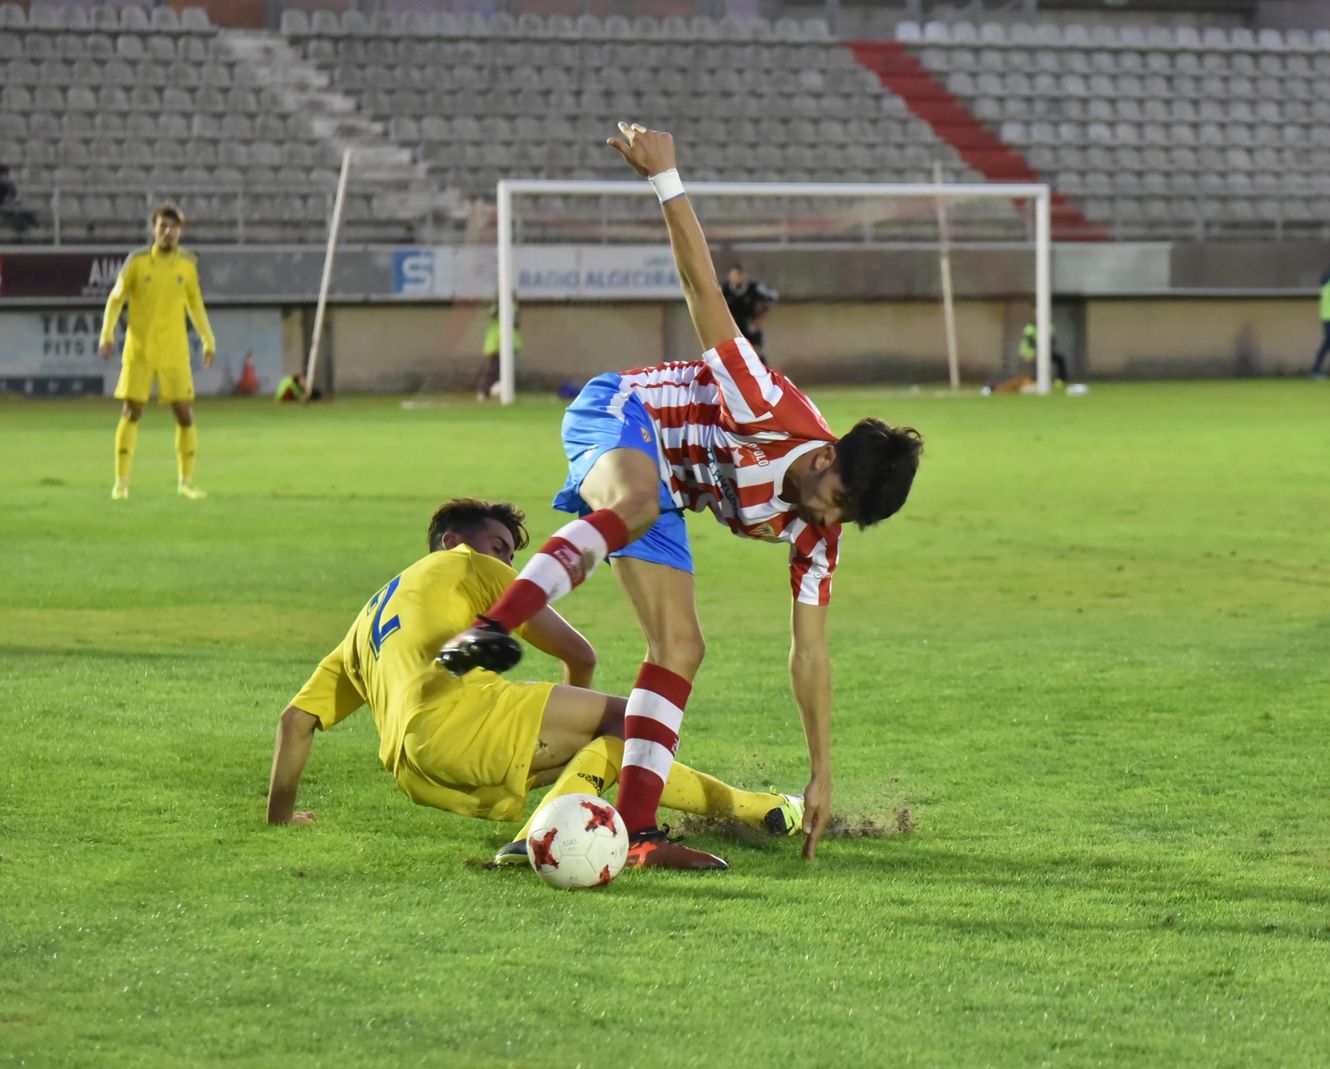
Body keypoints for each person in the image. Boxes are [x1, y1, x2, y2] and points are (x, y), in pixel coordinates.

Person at [437, 122, 923, 868]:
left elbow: (810, 652)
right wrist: (667, 178)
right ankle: (492, 627)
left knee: (682, 647)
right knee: (633, 502)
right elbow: (702, 287)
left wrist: (822, 768)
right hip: (621, 414)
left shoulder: (818, 532)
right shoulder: (766, 404)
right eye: (835, 498)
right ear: (825, 455)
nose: (828, 518)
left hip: (667, 492)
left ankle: (635, 834)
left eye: (845, 518)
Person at [267, 498, 803, 860]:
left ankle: (760, 811)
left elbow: (296, 722)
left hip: (417, 770)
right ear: (454, 540)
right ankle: (539, 839)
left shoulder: (366, 624)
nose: (506, 560)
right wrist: (570, 709)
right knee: (632, 721)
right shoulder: (465, 564)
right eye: (500, 546)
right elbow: (580, 652)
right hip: (466, 722)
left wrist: (282, 820)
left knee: (599, 751)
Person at [98, 204, 215, 500]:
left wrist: (208, 339)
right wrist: (107, 333)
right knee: (131, 411)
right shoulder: (137, 262)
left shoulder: (187, 266)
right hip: (140, 352)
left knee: (185, 414)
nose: (167, 232)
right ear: (154, 229)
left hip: (174, 353)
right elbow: (116, 299)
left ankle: (185, 482)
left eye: (173, 227)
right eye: (162, 226)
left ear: (180, 232)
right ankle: (121, 483)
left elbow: (195, 305)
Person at [721, 263, 778, 360]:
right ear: (730, 276)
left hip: (750, 326)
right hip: (731, 327)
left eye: (740, 274)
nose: (738, 277)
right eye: (735, 274)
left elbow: (772, 297)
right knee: (730, 357)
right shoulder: (723, 290)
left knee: (756, 356)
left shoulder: (754, 288)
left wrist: (758, 318)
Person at [476, 301, 520, 402]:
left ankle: (501, 391)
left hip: (507, 348)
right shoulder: (498, 323)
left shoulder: (510, 323)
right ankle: (483, 391)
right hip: (495, 348)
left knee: (503, 372)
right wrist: (499, 346)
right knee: (492, 371)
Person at [0, 164, 40, 234]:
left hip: (10, 204)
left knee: (23, 209)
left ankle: (35, 226)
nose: (6, 175)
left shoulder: (8, 182)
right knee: (17, 213)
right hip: (4, 206)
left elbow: (13, 194)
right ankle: (25, 230)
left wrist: (11, 200)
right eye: (5, 173)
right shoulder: (5, 182)